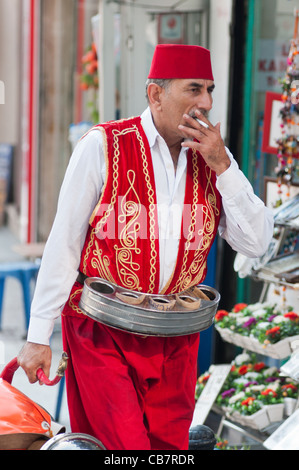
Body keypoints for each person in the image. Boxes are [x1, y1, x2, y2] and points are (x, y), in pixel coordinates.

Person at [17, 44, 273, 450]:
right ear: (155, 94)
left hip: (178, 338)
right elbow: (64, 243)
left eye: (209, 89)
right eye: (193, 89)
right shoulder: (103, 146)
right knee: (125, 447)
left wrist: (224, 167)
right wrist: (37, 336)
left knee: (169, 449)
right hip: (104, 335)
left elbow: (257, 242)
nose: (205, 102)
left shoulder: (214, 160)